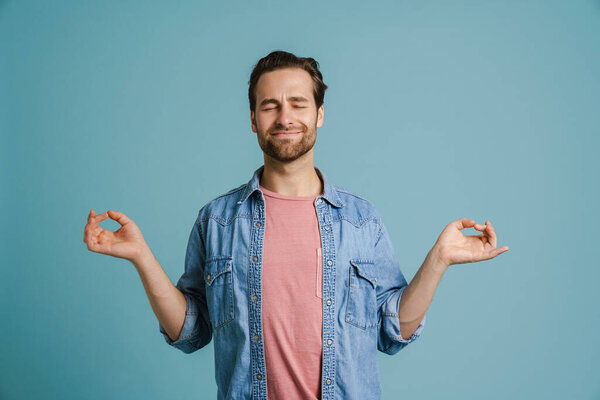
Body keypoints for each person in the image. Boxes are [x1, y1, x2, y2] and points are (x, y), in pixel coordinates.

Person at [83, 50, 509, 400]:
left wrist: (439, 260)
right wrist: (141, 257)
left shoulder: (361, 221)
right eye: (270, 105)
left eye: (298, 104)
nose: (284, 117)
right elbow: (192, 332)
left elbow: (392, 331)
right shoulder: (217, 220)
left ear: (319, 114)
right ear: (253, 119)